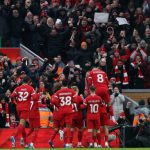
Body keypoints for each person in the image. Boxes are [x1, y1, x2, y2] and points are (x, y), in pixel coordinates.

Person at [87, 66, 117, 147]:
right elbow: (107, 83)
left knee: (95, 128)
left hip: (95, 112)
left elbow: (89, 82)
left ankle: (96, 143)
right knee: (105, 127)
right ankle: (113, 117)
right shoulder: (103, 72)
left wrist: (89, 90)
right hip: (104, 108)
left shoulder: (91, 72)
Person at [10, 76, 36, 148]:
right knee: (22, 124)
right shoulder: (30, 88)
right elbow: (34, 97)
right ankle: (14, 137)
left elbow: (12, 96)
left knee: (23, 125)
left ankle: (26, 143)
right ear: (28, 81)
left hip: (18, 107)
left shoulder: (17, 88)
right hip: (25, 107)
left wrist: (14, 102)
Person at [49, 80, 76, 148]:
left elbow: (53, 102)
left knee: (58, 128)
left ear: (62, 84)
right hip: (68, 110)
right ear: (67, 84)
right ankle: (67, 143)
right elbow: (75, 100)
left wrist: (59, 106)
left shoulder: (57, 93)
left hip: (60, 112)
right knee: (67, 127)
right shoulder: (71, 91)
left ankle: (55, 140)